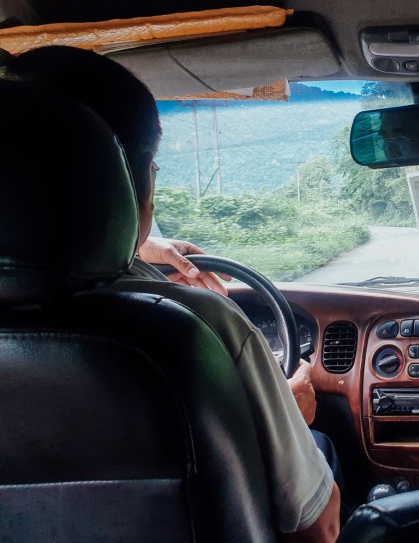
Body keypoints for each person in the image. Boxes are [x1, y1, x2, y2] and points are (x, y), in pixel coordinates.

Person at [3, 45, 341, 542]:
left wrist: (139, 248)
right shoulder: (199, 326)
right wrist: (294, 414)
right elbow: (319, 529)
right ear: (135, 184)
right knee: (322, 449)